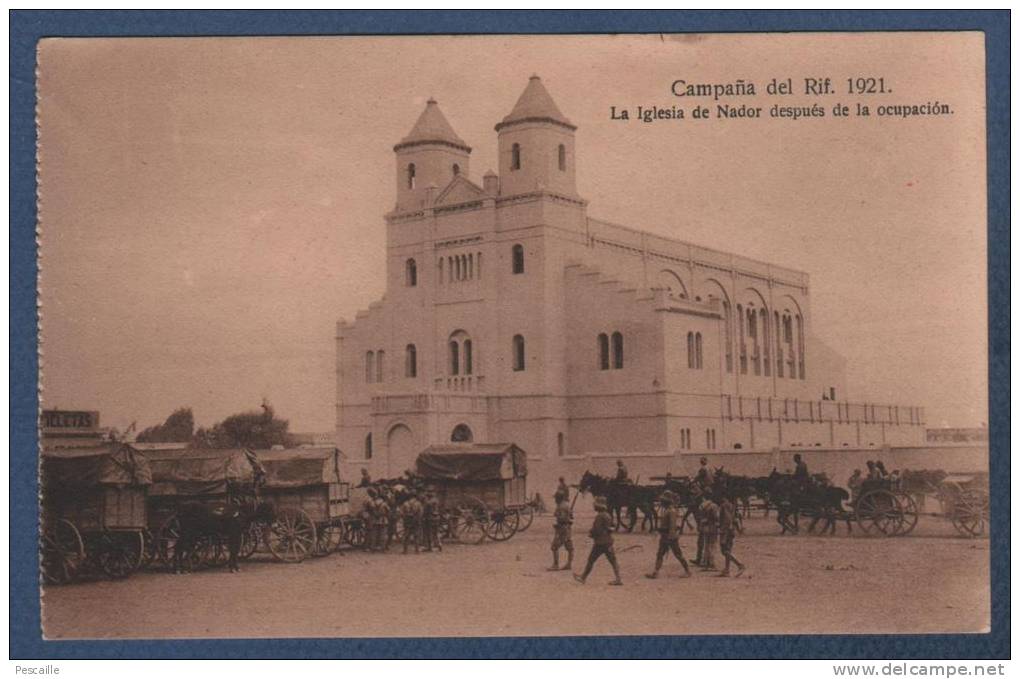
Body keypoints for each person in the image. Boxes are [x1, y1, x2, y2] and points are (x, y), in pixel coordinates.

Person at [574, 496, 622, 585]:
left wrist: (591, 534)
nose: (594, 506)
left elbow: (597, 529)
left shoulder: (599, 516)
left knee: (591, 560)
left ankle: (583, 577)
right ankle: (618, 579)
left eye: (595, 505)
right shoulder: (608, 515)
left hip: (600, 543)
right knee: (613, 561)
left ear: (599, 506)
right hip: (608, 541)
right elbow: (612, 526)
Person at [645, 491, 691, 579]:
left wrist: (671, 537)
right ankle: (655, 572)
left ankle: (688, 571)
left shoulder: (671, 511)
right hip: (664, 536)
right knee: (660, 554)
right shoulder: (668, 510)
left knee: (678, 555)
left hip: (670, 537)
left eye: (662, 501)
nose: (661, 503)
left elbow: (672, 525)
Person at [717, 494, 746, 577]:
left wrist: (722, 530)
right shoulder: (732, 506)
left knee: (724, 551)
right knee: (728, 550)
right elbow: (735, 520)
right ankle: (727, 570)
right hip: (731, 530)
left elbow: (727, 519)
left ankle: (740, 565)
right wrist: (738, 529)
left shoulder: (724, 506)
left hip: (726, 531)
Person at [548, 489, 574, 571]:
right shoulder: (567, 505)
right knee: (570, 547)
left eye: (556, 498)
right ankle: (569, 564)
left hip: (562, 529)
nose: (555, 500)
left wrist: (557, 518)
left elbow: (562, 518)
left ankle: (556, 565)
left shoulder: (561, 506)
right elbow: (571, 517)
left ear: (558, 498)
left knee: (554, 547)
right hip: (568, 528)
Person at [697, 494, 720, 570]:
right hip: (713, 527)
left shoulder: (701, 506)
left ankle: (706, 563)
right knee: (712, 545)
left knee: (706, 546)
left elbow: (700, 517)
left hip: (705, 527)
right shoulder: (714, 506)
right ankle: (712, 563)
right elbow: (716, 517)